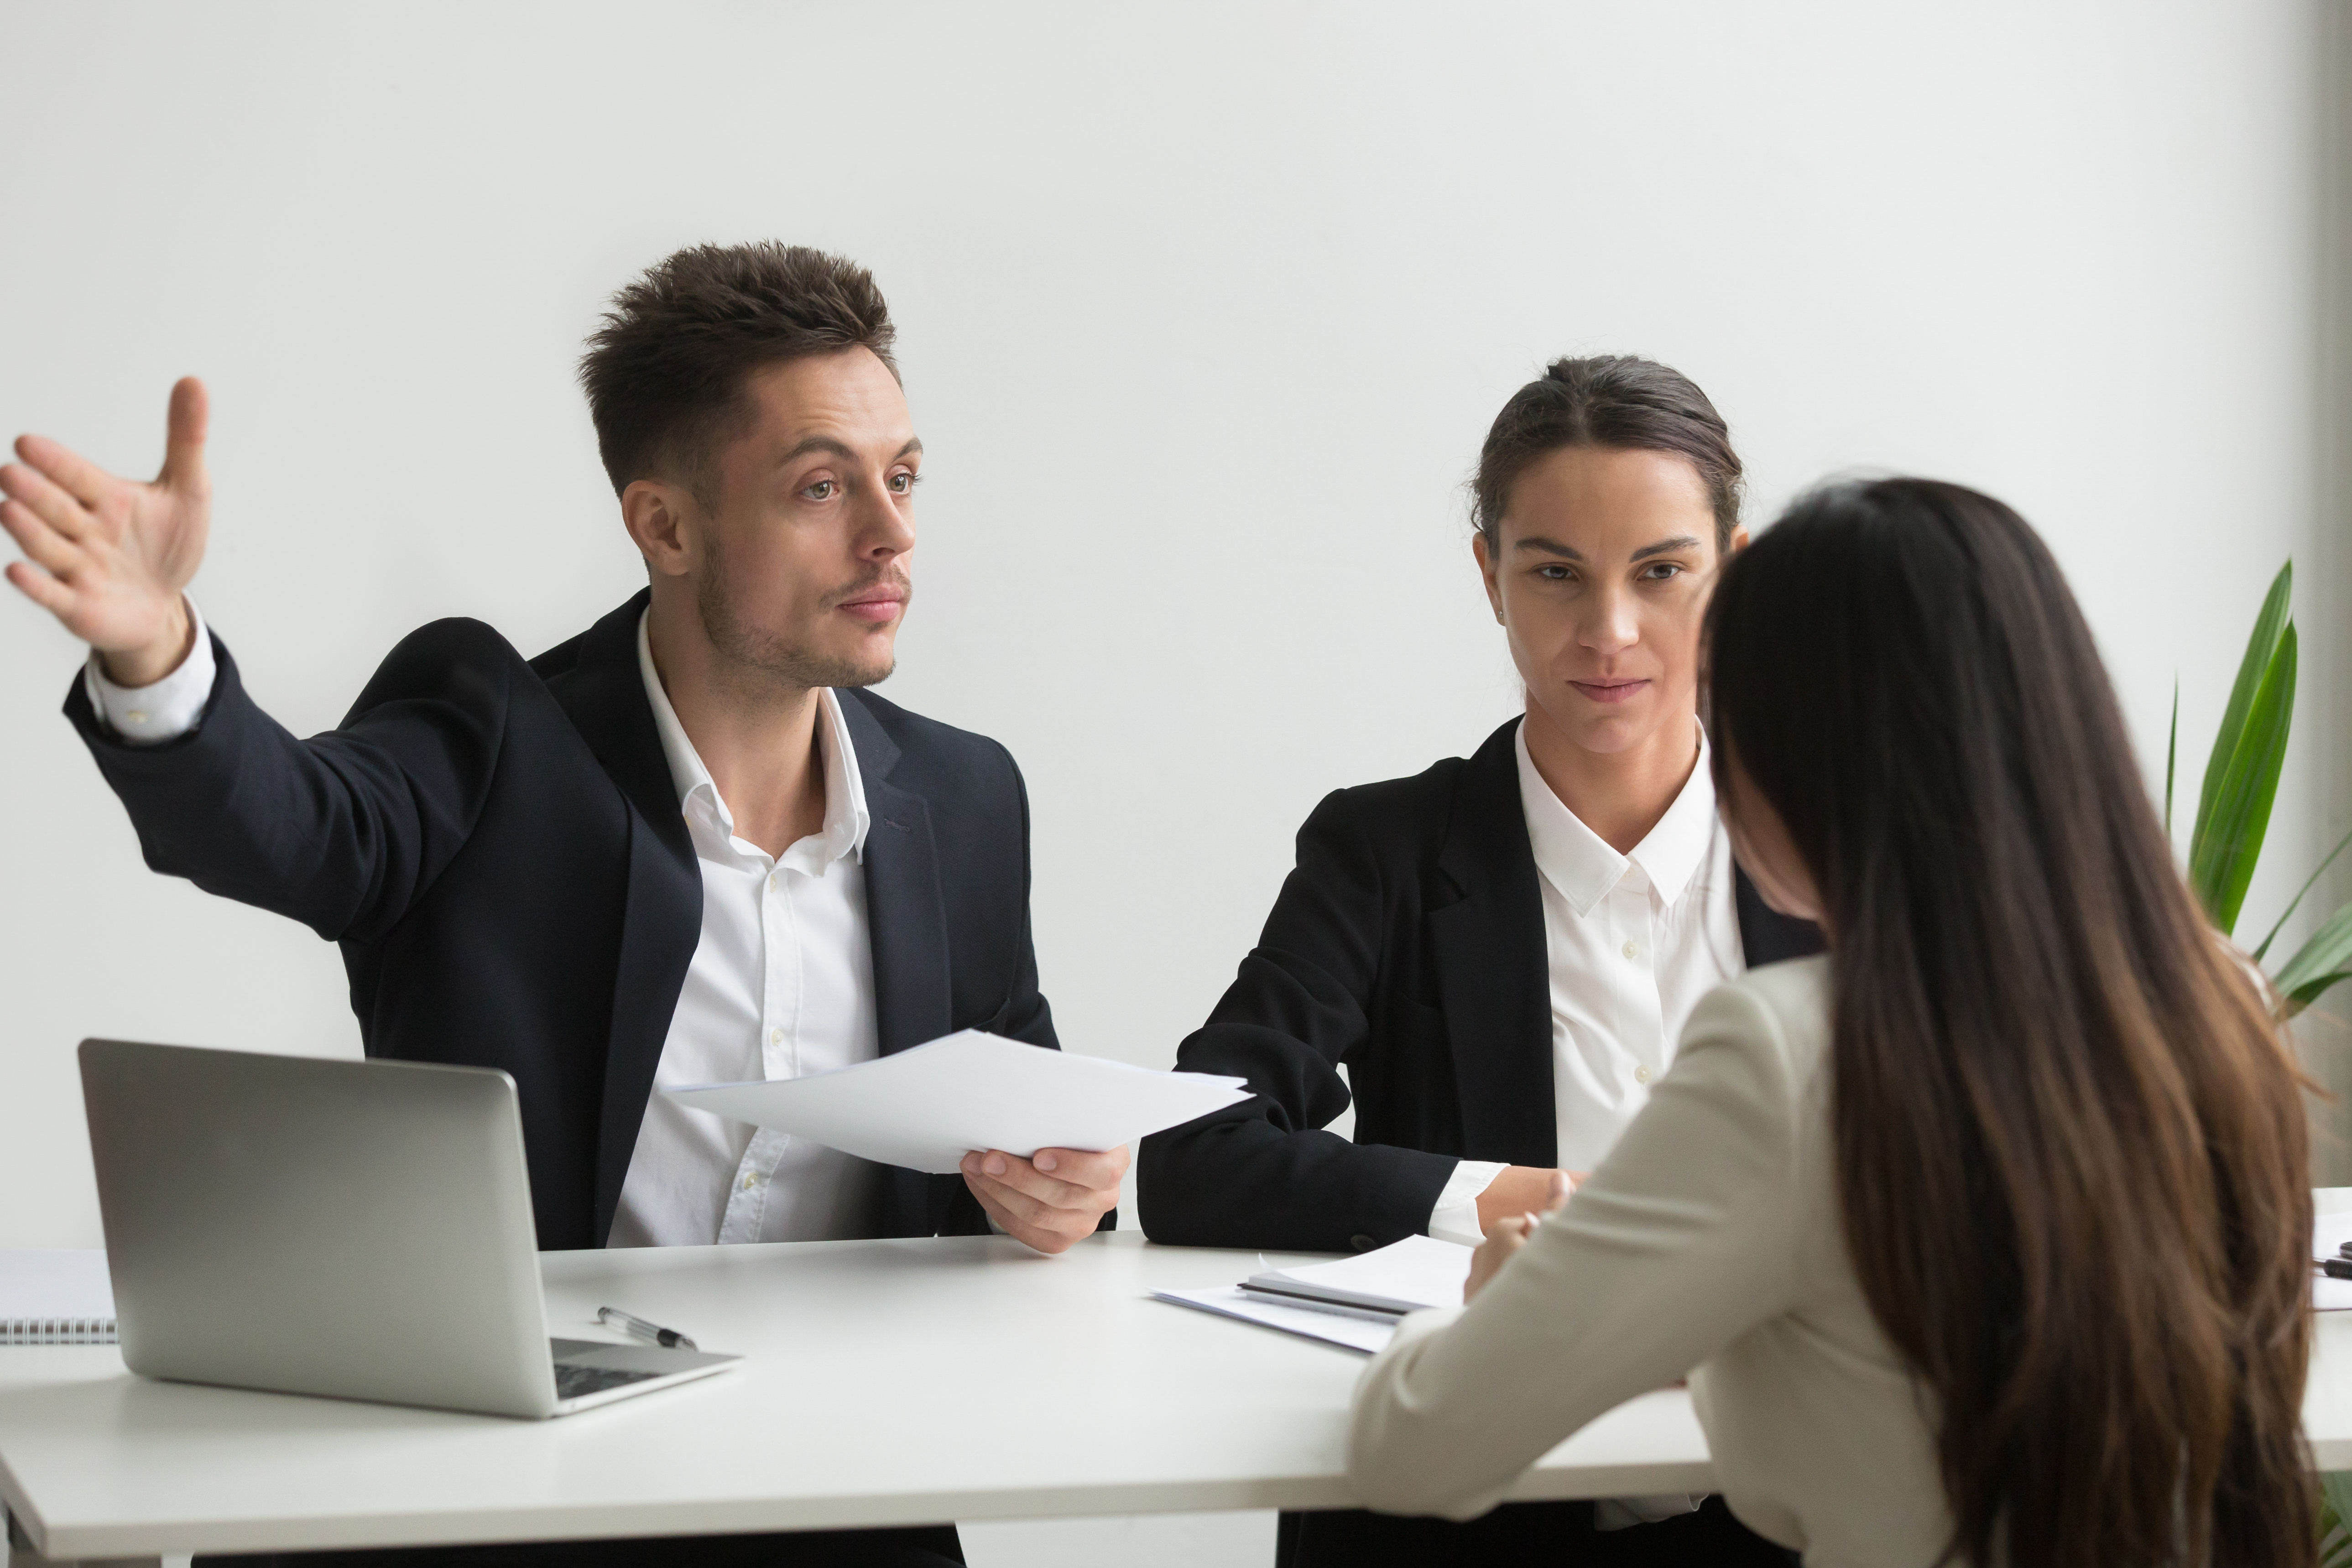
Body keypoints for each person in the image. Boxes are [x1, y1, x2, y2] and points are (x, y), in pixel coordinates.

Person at [0, 242, 1123, 1568]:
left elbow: (1019, 1114)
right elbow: (292, 825)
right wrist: (156, 651)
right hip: (494, 1500)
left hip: (835, 1497)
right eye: (822, 484)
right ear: (666, 524)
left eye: (905, 475)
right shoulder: (491, 731)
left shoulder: (964, 797)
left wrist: (1068, 1194)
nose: (892, 531)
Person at [1348, 479, 2316, 1568]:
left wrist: (1503, 1303)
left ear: (1796, 751)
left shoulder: (1787, 1050)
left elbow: (1411, 1447)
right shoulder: (2227, 1005)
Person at [1138, 355, 1817, 1564]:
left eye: (1660, 571)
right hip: (1476, 1516)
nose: (1608, 631)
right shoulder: (1384, 848)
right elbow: (1192, 1154)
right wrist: (1505, 1196)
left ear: (1735, 572)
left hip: (1787, 1511)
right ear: (1488, 576)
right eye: (1553, 570)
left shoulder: (1839, 849)